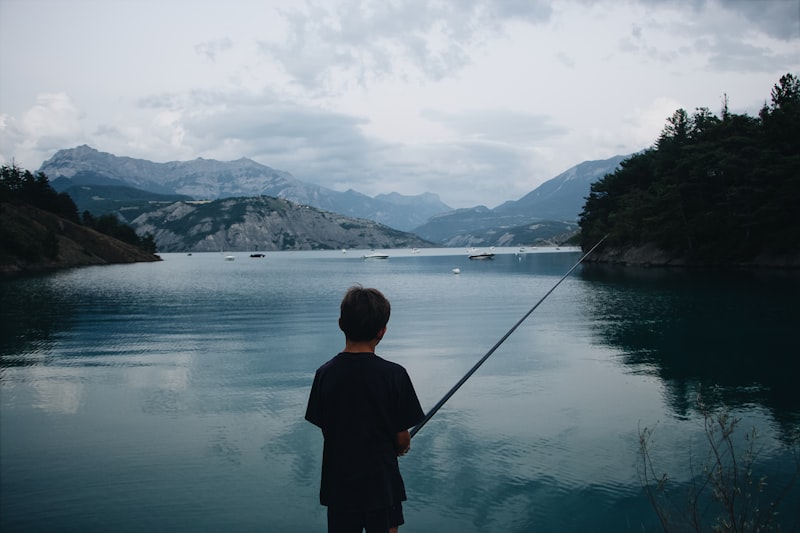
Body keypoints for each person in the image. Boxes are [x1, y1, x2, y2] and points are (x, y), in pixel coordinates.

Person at [305, 285, 425, 533]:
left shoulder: (324, 374)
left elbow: (328, 429)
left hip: (339, 486)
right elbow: (401, 437)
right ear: (382, 331)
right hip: (382, 486)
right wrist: (402, 446)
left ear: (340, 324)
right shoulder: (395, 375)